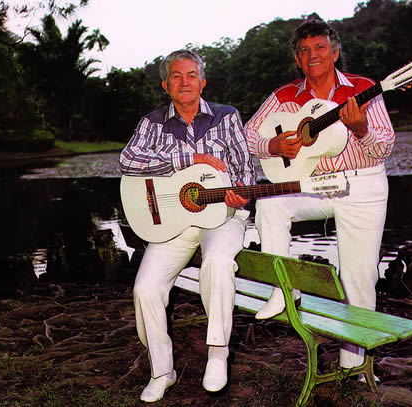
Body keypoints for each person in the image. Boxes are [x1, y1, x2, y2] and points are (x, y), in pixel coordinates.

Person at [245, 19, 395, 373]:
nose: (313, 55)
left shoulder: (363, 88)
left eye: (320, 47)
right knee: (270, 202)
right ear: (297, 59)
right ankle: (283, 290)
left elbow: (384, 147)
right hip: (314, 185)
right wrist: (272, 144)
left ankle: (353, 369)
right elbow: (248, 135)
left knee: (358, 280)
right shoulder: (285, 96)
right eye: (305, 50)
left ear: (335, 52)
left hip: (363, 183)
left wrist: (361, 130)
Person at [120, 49, 256, 402]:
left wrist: (239, 194)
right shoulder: (152, 123)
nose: (185, 82)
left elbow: (245, 173)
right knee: (146, 288)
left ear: (202, 81)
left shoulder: (227, 117)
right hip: (172, 221)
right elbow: (128, 159)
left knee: (218, 263)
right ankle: (162, 370)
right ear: (166, 85)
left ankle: (217, 351)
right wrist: (191, 158)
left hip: (221, 217)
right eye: (177, 76)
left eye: (191, 75)